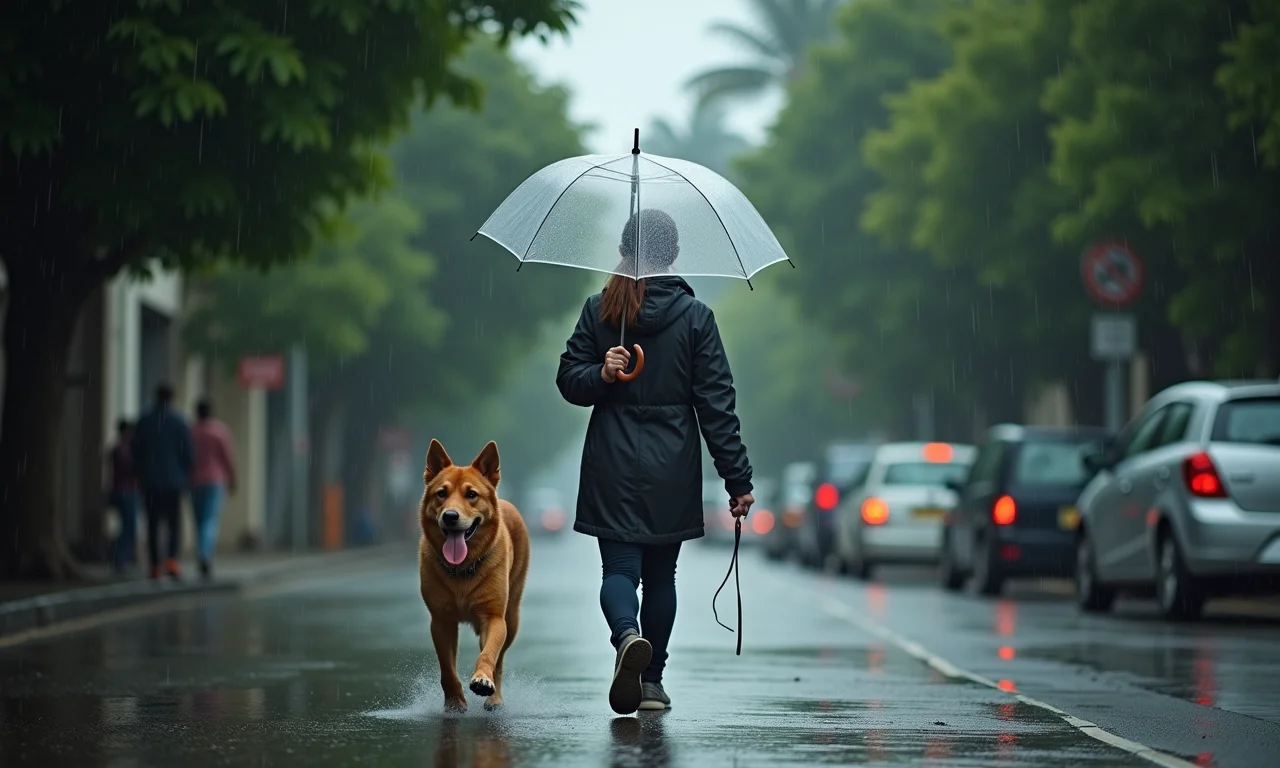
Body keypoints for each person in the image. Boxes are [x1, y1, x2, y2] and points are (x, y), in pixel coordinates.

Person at [556, 208, 755, 715]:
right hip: (673, 464)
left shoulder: (600, 309)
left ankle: (626, 636)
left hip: (611, 461)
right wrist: (737, 479)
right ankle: (651, 683)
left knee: (619, 570)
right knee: (661, 577)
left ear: (624, 249)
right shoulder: (697, 318)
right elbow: (717, 405)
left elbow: (568, 381)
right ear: (674, 255)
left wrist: (599, 374)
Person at [131, 383, 193, 581]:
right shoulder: (180, 422)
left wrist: (141, 472)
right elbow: (188, 455)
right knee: (174, 524)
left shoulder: (144, 422)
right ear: (171, 398)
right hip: (173, 482)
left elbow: (135, 451)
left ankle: (154, 565)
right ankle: (172, 561)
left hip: (150, 482)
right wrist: (184, 474)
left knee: (152, 523)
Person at [191, 398, 237, 580]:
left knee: (198, 519)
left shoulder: (191, 432)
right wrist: (233, 478)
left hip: (194, 481)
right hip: (215, 480)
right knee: (209, 520)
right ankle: (205, 554)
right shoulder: (219, 431)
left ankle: (201, 551)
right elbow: (228, 457)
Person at [106, 419, 139, 573]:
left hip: (124, 490)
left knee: (126, 526)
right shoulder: (123, 449)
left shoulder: (118, 448)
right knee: (128, 527)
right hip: (126, 491)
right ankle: (120, 559)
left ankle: (121, 558)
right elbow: (130, 468)